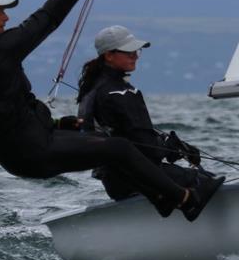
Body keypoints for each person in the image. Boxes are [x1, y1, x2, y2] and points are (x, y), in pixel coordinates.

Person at [0, 0, 216, 221]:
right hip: (37, 149)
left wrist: (58, 122)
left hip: (16, 156)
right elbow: (47, 17)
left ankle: (160, 199)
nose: (6, 17)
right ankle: (186, 200)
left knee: (107, 144)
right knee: (119, 148)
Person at [75, 25, 223, 219]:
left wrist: (173, 147)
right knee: (208, 181)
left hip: (115, 183)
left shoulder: (90, 89)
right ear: (109, 55)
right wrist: (173, 148)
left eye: (136, 51)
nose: (135, 56)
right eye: (128, 51)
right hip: (139, 178)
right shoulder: (121, 92)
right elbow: (148, 150)